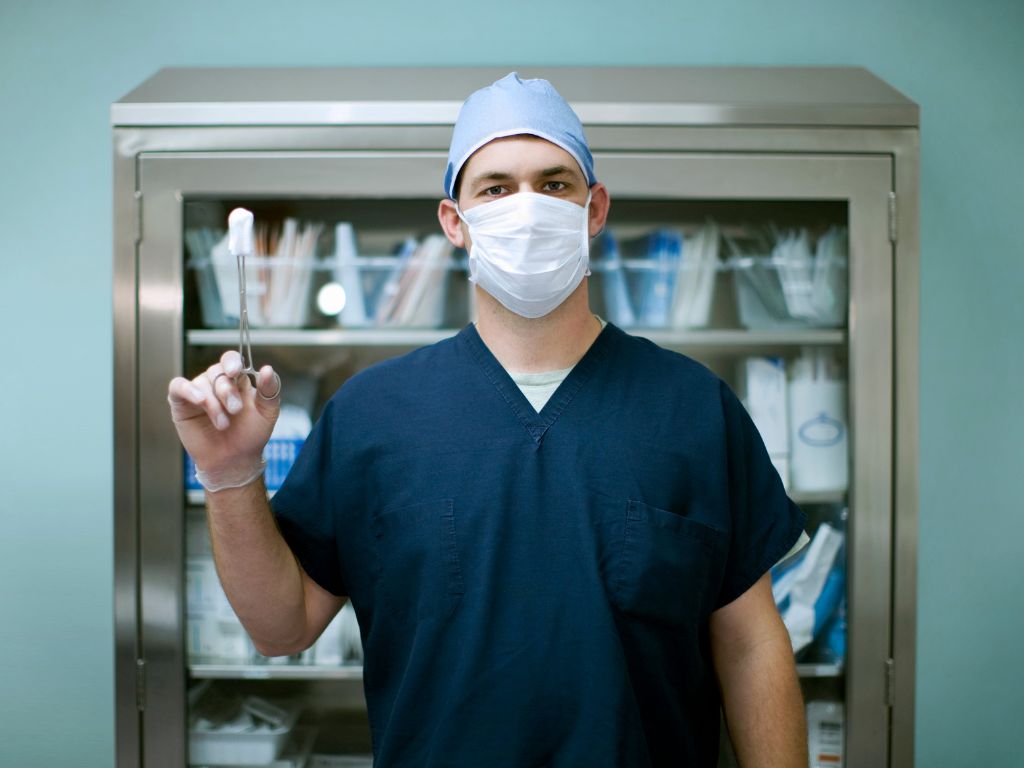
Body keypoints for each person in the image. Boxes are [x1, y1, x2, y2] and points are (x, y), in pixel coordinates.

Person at [168, 72, 809, 767]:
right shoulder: (373, 414)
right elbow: (282, 627)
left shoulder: (692, 408)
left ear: (594, 210)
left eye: (555, 184)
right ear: (455, 222)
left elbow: (749, 646)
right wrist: (230, 474)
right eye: (496, 188)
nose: (528, 208)